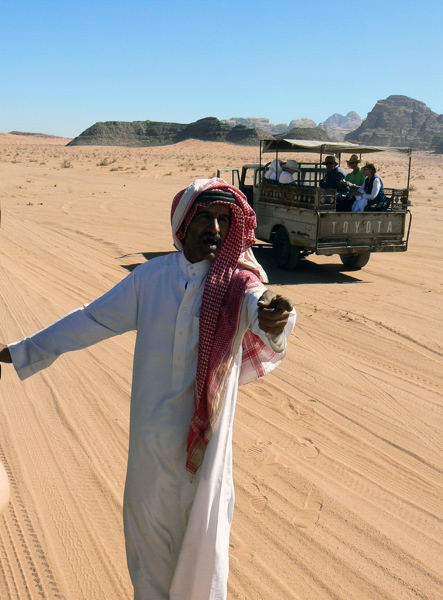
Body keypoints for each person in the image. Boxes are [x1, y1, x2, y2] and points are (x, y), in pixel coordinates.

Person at [0, 178, 296, 600]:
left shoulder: (239, 287)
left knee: (204, 549)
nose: (215, 227)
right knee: (149, 553)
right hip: (150, 448)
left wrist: (277, 318)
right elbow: (91, 320)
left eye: (224, 220)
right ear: (184, 224)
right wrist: (22, 351)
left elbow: (265, 307)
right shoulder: (150, 279)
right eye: (205, 218)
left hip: (205, 451)